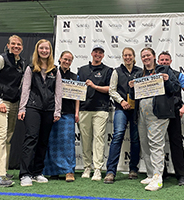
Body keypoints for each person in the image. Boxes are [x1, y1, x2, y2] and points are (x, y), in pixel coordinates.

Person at [129, 47, 180, 191]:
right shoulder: (139, 73)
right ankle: (151, 174)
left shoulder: (164, 70)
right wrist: (131, 87)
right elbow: (133, 96)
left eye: (148, 55)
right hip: (142, 114)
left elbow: (175, 88)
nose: (145, 58)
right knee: (145, 144)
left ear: (154, 57)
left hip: (159, 114)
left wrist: (167, 80)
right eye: (143, 56)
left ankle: (158, 177)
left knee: (156, 144)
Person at [18, 39, 62, 187]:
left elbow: (58, 92)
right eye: (41, 48)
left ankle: (37, 172)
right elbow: (26, 89)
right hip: (32, 107)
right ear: (37, 50)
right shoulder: (31, 68)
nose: (44, 51)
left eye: (47, 48)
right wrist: (22, 108)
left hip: (49, 110)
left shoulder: (55, 70)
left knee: (43, 142)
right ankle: (25, 174)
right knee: (31, 139)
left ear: (50, 51)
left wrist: (57, 110)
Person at [0, 35, 25, 187]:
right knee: (0, 137)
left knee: (7, 138)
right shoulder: (0, 59)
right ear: (8, 45)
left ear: (22, 47)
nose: (16, 46)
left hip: (13, 103)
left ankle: (0, 170)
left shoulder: (21, 62)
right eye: (13, 44)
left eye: (19, 44)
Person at [104, 47, 142, 184]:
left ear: (133, 56)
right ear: (122, 56)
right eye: (125, 55)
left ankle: (133, 169)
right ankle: (110, 171)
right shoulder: (117, 71)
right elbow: (112, 90)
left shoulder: (140, 71)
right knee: (118, 135)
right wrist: (122, 101)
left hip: (136, 109)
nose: (127, 57)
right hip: (121, 108)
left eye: (130, 55)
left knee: (135, 139)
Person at [157, 51, 184, 186]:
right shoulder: (152, 75)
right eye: (162, 60)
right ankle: (160, 173)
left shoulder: (178, 75)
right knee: (157, 144)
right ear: (158, 61)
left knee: (176, 143)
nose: (164, 62)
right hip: (157, 114)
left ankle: (182, 175)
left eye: (167, 60)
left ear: (171, 61)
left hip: (174, 113)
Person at [77, 45, 113, 181]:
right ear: (92, 53)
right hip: (84, 109)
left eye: (100, 53)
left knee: (99, 139)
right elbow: (77, 90)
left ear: (103, 56)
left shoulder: (108, 70)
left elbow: (111, 89)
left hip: (101, 109)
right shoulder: (82, 70)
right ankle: (87, 167)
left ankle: (97, 169)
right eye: (96, 52)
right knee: (85, 139)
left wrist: (94, 86)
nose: (98, 54)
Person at [43, 51, 79, 182]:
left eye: (69, 60)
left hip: (68, 113)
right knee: (52, 142)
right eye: (65, 59)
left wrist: (76, 112)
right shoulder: (51, 74)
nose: (67, 62)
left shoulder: (74, 76)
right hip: (52, 111)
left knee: (68, 142)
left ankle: (69, 171)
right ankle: (53, 171)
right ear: (59, 59)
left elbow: (78, 97)